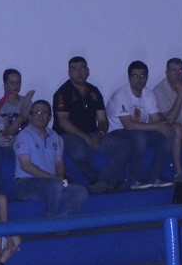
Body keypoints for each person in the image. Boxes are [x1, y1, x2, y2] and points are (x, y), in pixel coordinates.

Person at [53, 56, 133, 193]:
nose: (79, 72)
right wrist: (85, 137)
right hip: (68, 135)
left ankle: (104, 182)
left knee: (125, 146)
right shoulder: (62, 93)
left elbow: (103, 120)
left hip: (92, 134)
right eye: (75, 69)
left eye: (82, 68)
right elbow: (63, 122)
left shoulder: (93, 91)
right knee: (79, 153)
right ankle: (97, 181)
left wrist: (100, 134)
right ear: (69, 73)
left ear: (88, 71)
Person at [105, 62, 174, 189]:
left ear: (147, 77)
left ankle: (155, 178)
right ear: (129, 77)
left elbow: (156, 119)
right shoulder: (121, 95)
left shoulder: (148, 94)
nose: (139, 79)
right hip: (117, 132)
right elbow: (128, 125)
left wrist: (163, 126)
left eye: (142, 75)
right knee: (140, 137)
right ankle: (135, 180)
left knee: (167, 135)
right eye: (135, 76)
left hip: (139, 130)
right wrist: (156, 126)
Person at [14, 100, 89, 216]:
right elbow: (26, 166)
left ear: (50, 117)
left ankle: (61, 221)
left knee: (81, 192)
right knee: (54, 186)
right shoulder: (24, 136)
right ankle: (50, 221)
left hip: (51, 183)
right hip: (27, 183)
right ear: (30, 116)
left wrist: (60, 178)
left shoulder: (55, 136)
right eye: (37, 112)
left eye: (44, 112)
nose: (41, 115)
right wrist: (53, 179)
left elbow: (59, 163)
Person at [0, 69, 35, 155]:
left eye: (18, 82)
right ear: (5, 85)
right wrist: (21, 118)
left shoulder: (27, 102)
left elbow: (33, 126)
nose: (15, 85)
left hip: (29, 141)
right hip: (11, 145)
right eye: (11, 83)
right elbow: (7, 132)